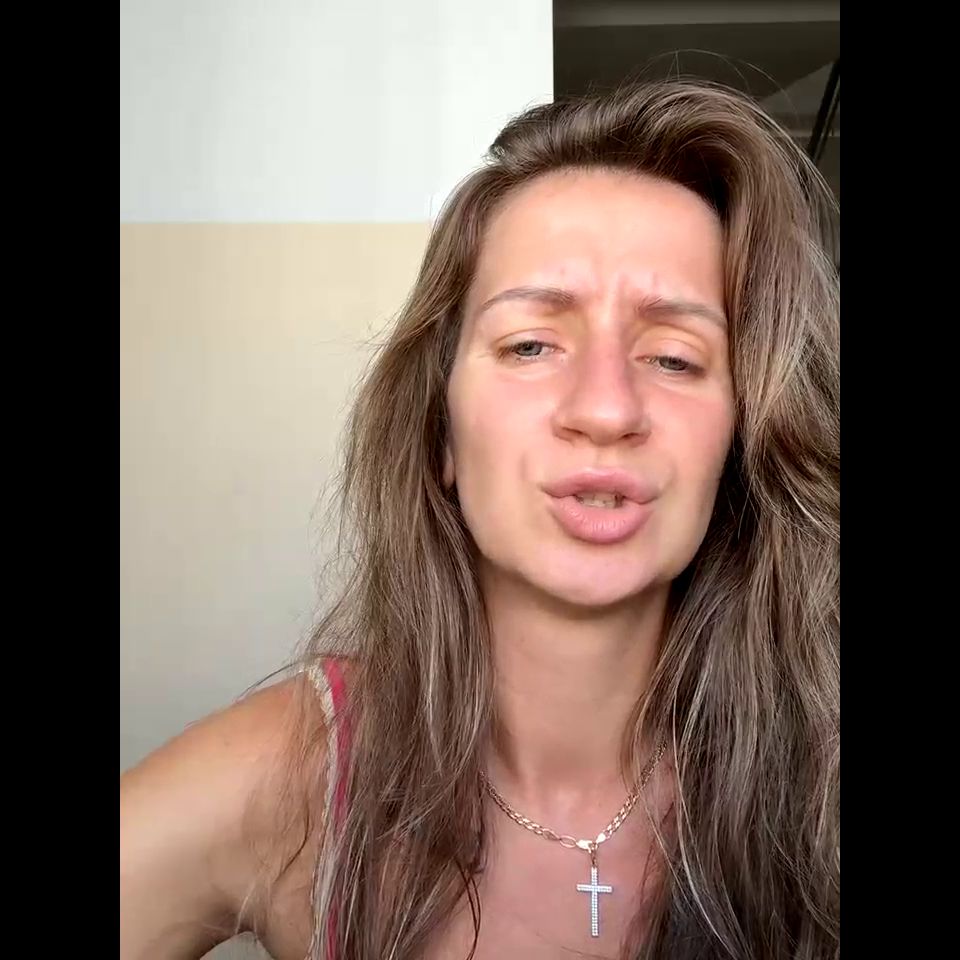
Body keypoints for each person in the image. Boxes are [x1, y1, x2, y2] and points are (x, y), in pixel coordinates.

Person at [120, 78, 840, 960]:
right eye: (530, 345)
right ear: (442, 433)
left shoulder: (819, 782)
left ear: (740, 438)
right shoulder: (290, 777)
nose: (607, 408)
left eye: (674, 358)